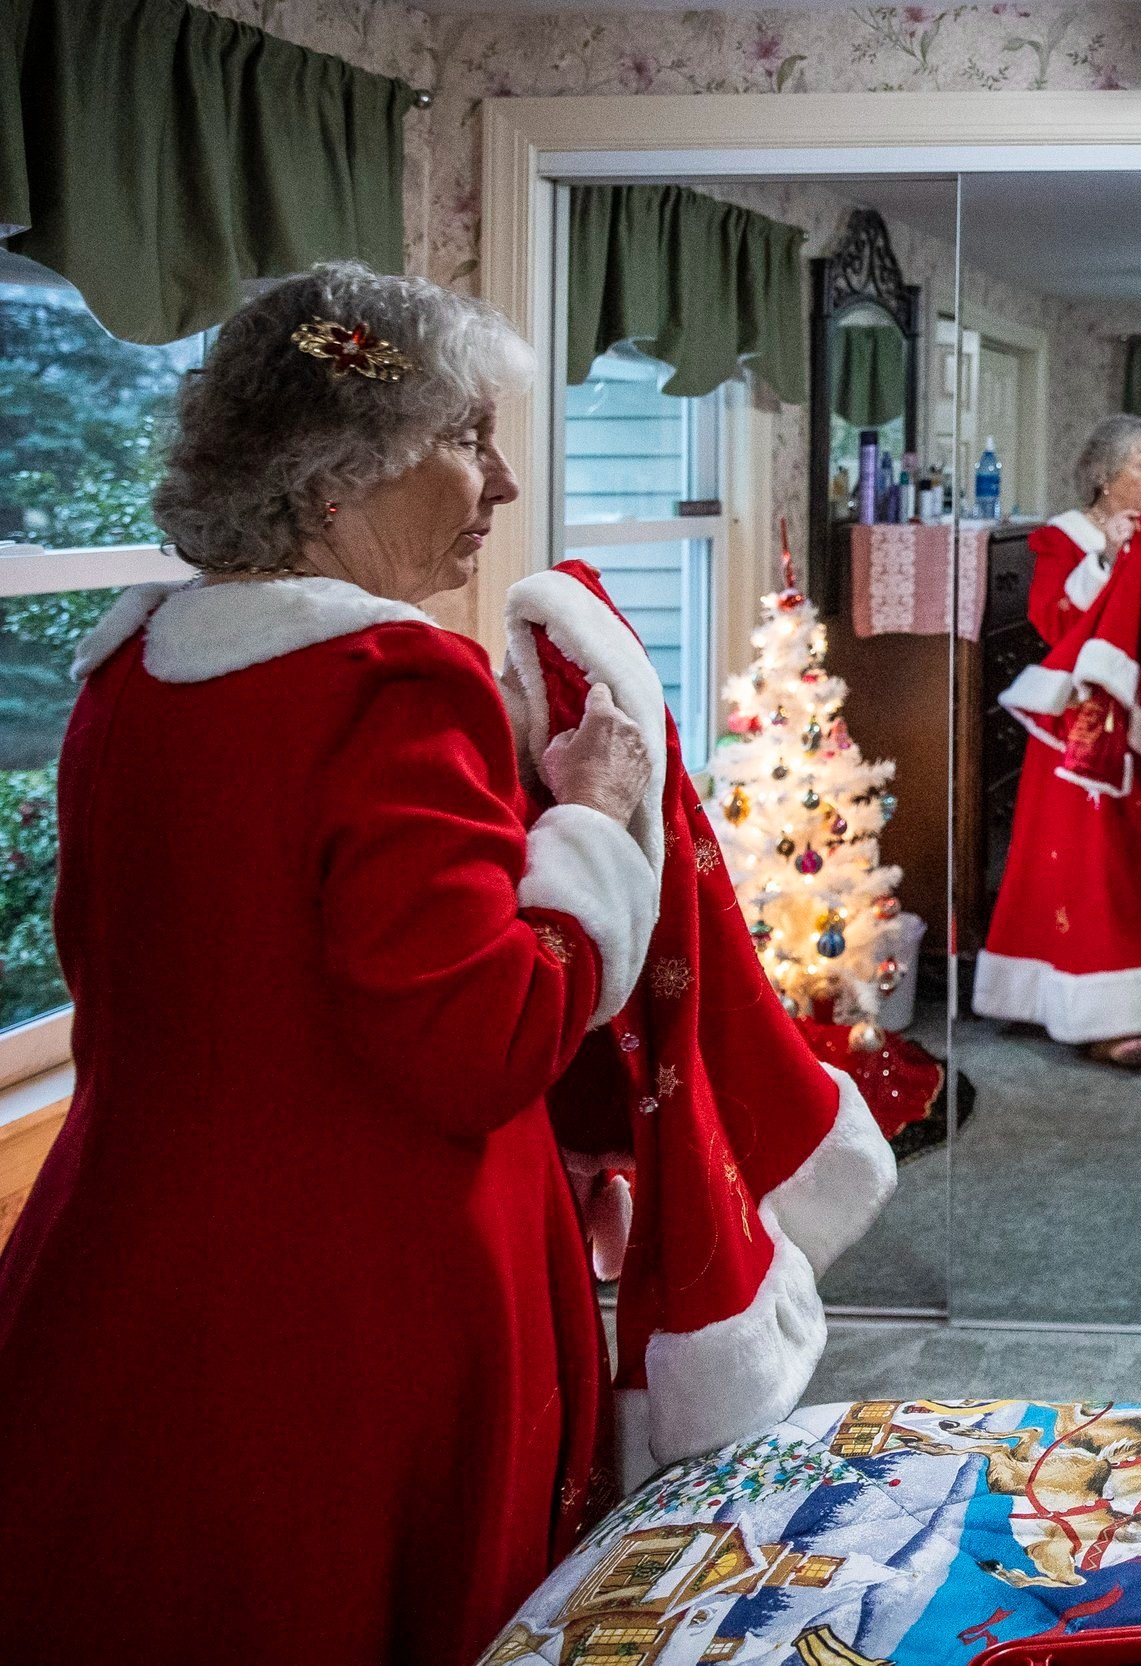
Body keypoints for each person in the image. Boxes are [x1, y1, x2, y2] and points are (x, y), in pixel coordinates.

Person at [0, 264, 660, 1663]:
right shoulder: (387, 685)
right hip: (344, 1328)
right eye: (469, 437)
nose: (501, 485)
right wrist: (594, 825)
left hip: (124, 1274)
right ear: (337, 477)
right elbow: (484, 1038)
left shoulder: (130, 677)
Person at [974, 414, 1141, 1069]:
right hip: (1082, 731)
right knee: (1082, 863)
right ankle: (1093, 1012)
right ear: (1102, 473)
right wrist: (1109, 561)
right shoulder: (1061, 538)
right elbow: (1053, 619)